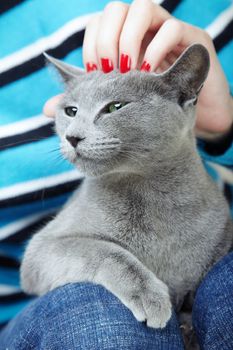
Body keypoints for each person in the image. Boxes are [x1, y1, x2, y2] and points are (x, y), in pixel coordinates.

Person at [0, 0, 232, 349]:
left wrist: (223, 130)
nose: (73, 133)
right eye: (71, 110)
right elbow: (35, 266)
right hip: (39, 315)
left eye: (112, 107)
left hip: (205, 237)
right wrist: (117, 270)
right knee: (101, 321)